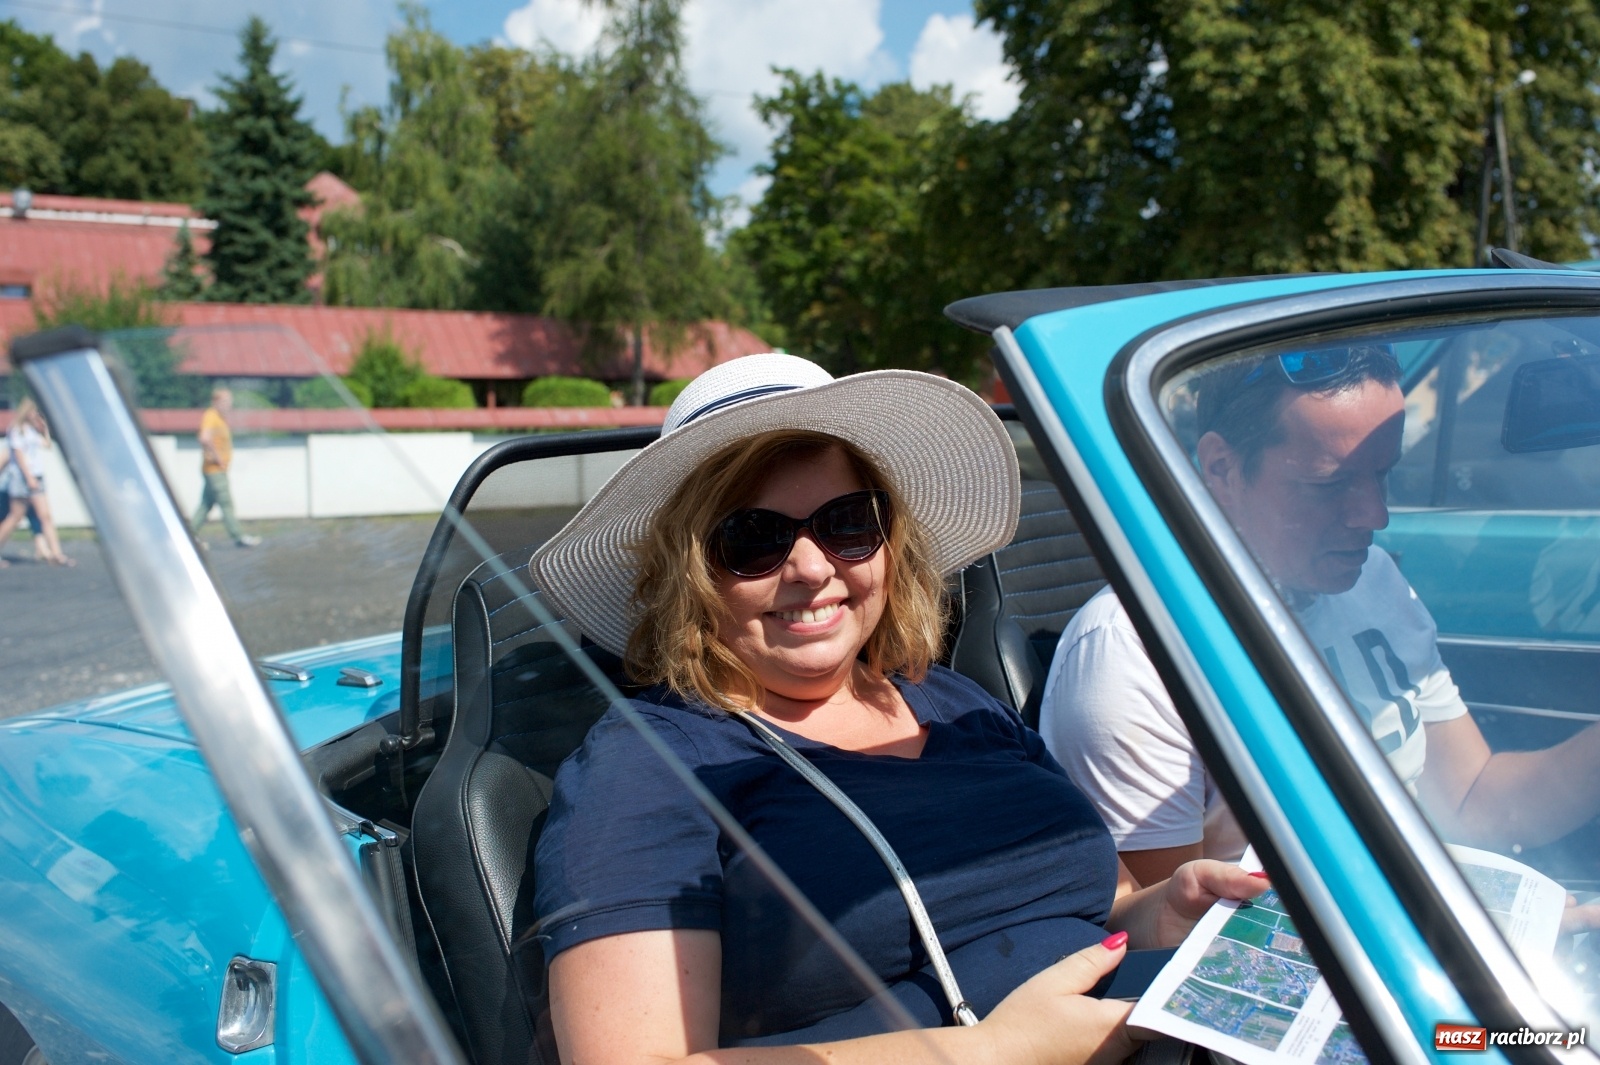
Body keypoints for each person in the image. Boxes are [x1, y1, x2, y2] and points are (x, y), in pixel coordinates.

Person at [528, 354, 1267, 1062]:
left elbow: (1100, 908)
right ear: (691, 573)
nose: (813, 568)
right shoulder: (647, 767)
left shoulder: (954, 701)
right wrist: (992, 1053)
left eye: (847, 522)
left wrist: (1164, 913)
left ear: (889, 540)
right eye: (754, 539)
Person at [1041, 344, 1600, 886]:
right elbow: (1167, 929)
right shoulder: (1133, 652)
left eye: (1384, 475)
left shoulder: (1375, 578)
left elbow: (1469, 798)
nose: (1375, 515)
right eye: (1328, 484)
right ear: (1221, 468)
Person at [0, 398, 71, 567]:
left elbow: (47, 445)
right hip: (22, 478)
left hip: (37, 477)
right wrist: (29, 478)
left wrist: (44, 428)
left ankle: (56, 554)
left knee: (45, 516)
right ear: (27, 411)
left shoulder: (32, 431)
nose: (36, 415)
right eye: (35, 412)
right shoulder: (17, 430)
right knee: (15, 517)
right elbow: (18, 455)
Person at [191, 387, 260, 548]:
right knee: (226, 503)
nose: (228, 405)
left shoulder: (219, 418)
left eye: (229, 402)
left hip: (214, 470)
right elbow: (204, 438)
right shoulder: (211, 416)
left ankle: (189, 535)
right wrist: (217, 457)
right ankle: (238, 537)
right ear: (215, 402)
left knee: (205, 505)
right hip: (215, 470)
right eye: (225, 401)